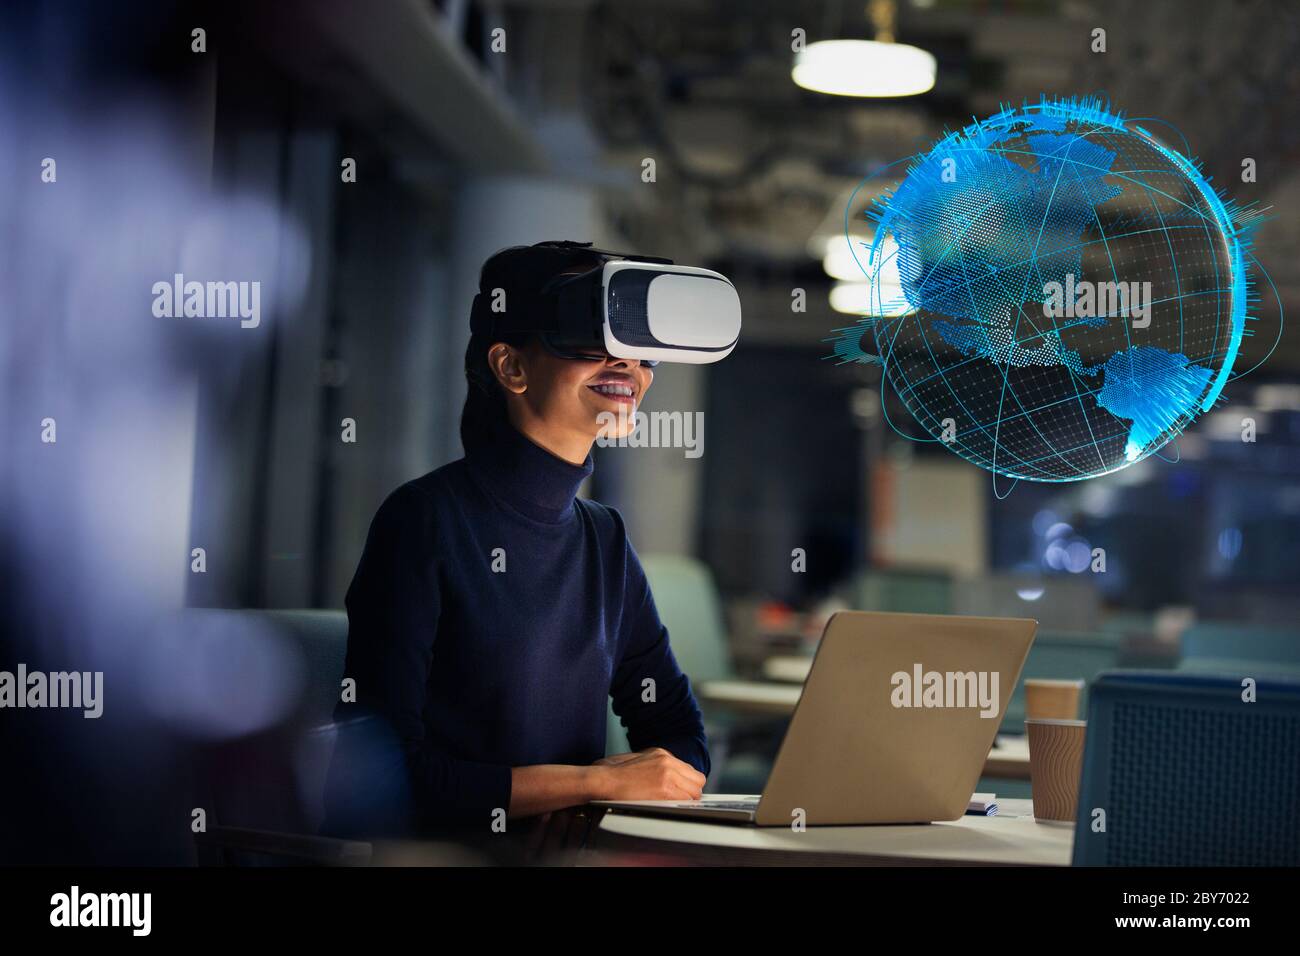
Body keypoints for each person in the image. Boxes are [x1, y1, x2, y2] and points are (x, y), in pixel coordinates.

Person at [322, 241, 709, 841]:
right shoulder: (423, 521)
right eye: (592, 332)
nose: (627, 364)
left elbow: (679, 733)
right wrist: (591, 785)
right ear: (512, 367)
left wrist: (623, 787)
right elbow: (386, 774)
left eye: (637, 345)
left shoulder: (604, 539)